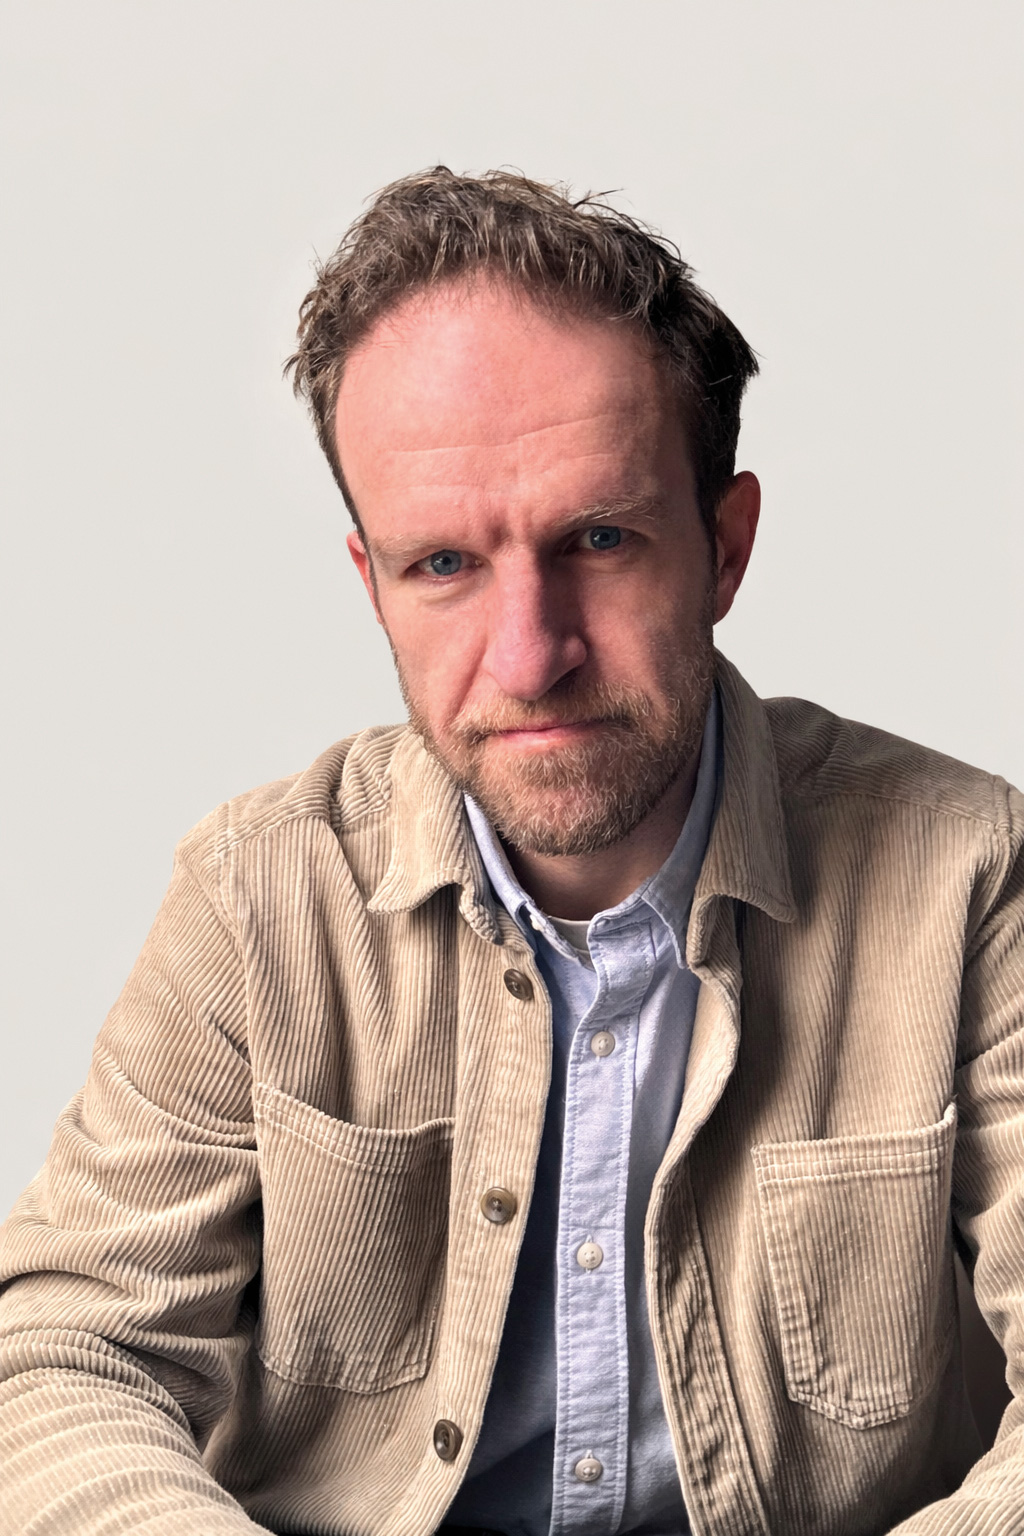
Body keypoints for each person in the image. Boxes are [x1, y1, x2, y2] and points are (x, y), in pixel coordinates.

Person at [0, 168, 1021, 1536]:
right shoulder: (260, 900)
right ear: (373, 585)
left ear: (725, 549)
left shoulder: (969, 877)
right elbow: (66, 1357)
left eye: (598, 540)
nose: (531, 656)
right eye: (443, 566)